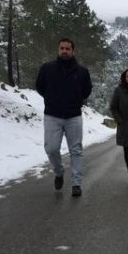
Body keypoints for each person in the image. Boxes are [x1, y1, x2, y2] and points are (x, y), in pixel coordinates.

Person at [35, 37, 92, 197]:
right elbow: (40, 86)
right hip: (52, 115)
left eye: (68, 48)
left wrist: (76, 100)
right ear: (58, 50)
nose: (64, 51)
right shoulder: (47, 68)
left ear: (73, 51)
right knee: (51, 148)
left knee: (76, 150)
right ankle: (59, 172)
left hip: (73, 116)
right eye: (62, 48)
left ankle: (76, 183)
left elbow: (87, 90)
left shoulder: (82, 71)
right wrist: (52, 98)